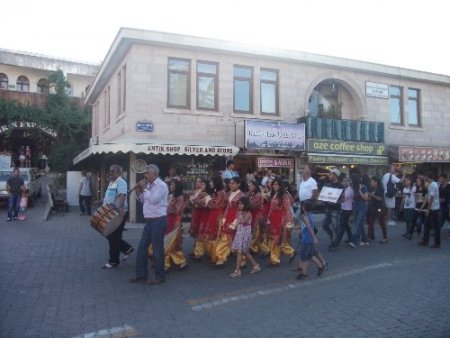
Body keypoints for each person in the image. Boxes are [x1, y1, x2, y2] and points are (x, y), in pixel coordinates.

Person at [129, 164, 169, 285]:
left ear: (154, 174)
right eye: (145, 173)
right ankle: (141, 274)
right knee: (142, 248)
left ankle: (160, 276)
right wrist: (138, 192)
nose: (145, 175)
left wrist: (144, 188)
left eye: (147, 173)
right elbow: (144, 200)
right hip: (150, 221)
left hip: (158, 220)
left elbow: (154, 200)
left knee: (157, 250)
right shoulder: (150, 185)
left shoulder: (161, 185)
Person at [101, 165, 134, 269]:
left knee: (112, 236)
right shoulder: (112, 182)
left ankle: (114, 261)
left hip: (118, 212)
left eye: (112, 171)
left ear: (119, 172)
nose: (110, 172)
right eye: (109, 171)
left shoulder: (121, 182)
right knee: (112, 236)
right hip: (109, 212)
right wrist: (101, 201)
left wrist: (120, 209)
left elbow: (122, 195)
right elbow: (110, 196)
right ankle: (127, 249)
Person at [229, 196, 261, 278]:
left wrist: (236, 221)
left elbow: (243, 221)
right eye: (239, 203)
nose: (239, 205)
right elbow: (237, 221)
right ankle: (255, 266)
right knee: (244, 251)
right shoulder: (240, 212)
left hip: (245, 233)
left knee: (240, 251)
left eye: (241, 204)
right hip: (240, 232)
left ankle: (237, 271)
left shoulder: (248, 213)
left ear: (245, 204)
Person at [215, 176, 243, 267]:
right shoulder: (229, 193)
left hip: (236, 217)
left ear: (238, 184)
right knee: (225, 236)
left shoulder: (241, 195)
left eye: (233, 183)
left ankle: (242, 259)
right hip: (228, 216)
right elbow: (227, 206)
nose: (231, 185)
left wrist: (236, 221)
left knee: (236, 238)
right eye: (230, 183)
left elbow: (241, 210)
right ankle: (221, 257)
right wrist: (223, 218)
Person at [295, 200, 327, 280]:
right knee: (310, 255)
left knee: (305, 256)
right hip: (307, 238)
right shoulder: (308, 215)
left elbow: (309, 228)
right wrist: (294, 228)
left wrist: (314, 238)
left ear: (303, 208)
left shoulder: (305, 217)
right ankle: (320, 266)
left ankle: (304, 273)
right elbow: (304, 227)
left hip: (307, 239)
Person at [267, 177, 295, 266]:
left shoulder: (284, 196)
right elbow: (271, 208)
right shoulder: (274, 194)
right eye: (274, 184)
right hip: (273, 218)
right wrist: (269, 218)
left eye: (277, 184)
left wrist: (288, 223)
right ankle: (291, 252)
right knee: (275, 239)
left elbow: (287, 210)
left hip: (281, 219)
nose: (275, 186)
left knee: (276, 239)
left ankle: (274, 260)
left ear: (280, 185)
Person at [163, 179, 187, 271]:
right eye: (170, 185)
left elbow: (177, 210)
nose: (170, 186)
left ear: (177, 186)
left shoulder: (180, 197)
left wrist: (166, 209)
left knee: (170, 242)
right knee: (168, 242)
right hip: (167, 219)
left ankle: (167, 264)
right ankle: (175, 261)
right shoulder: (171, 195)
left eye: (172, 185)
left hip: (174, 221)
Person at [329, 177, 355, 250]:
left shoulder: (349, 190)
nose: (343, 183)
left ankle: (336, 243)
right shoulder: (345, 189)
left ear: (349, 182)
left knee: (342, 226)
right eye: (343, 181)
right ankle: (351, 238)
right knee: (346, 225)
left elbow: (343, 199)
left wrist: (334, 201)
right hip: (344, 209)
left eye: (345, 181)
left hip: (348, 210)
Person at [418, 173, 441, 249]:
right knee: (427, 224)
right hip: (432, 208)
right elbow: (428, 196)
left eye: (425, 176)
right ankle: (426, 240)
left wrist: (428, 209)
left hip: (434, 208)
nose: (425, 178)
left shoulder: (433, 185)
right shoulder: (431, 184)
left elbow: (431, 198)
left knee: (435, 226)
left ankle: (437, 243)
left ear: (428, 177)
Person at [321, 168, 343, 244]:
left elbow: (343, 199)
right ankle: (333, 237)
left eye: (331, 174)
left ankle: (334, 243)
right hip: (328, 209)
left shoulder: (340, 185)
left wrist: (335, 202)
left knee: (335, 227)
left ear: (335, 175)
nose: (329, 176)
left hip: (335, 210)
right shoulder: (329, 184)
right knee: (324, 225)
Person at [248, 181, 269, 255]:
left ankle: (248, 249)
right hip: (252, 215)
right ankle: (265, 250)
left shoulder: (258, 195)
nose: (249, 187)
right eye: (249, 186)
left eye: (250, 186)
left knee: (255, 234)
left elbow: (253, 205)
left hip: (257, 216)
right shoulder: (251, 194)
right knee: (257, 235)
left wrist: (245, 204)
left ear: (254, 187)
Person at [367, 176, 388, 243]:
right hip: (373, 207)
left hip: (380, 207)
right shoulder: (372, 188)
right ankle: (370, 237)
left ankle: (385, 237)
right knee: (370, 222)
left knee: (381, 222)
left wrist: (371, 195)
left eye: (372, 181)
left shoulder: (380, 189)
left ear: (376, 182)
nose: (371, 183)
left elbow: (380, 198)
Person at [350, 173, 369, 246]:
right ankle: (365, 240)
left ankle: (354, 240)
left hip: (362, 207)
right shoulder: (353, 188)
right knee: (360, 224)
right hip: (356, 207)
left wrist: (360, 190)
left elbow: (366, 198)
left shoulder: (363, 187)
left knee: (357, 225)